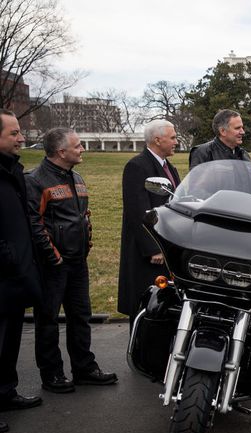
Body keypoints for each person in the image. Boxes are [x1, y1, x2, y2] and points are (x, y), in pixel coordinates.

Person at [25, 128, 117, 393]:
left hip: (77, 262)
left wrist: (86, 242)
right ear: (61, 151)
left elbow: (83, 214)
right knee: (48, 320)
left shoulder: (76, 177)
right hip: (52, 264)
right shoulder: (36, 180)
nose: (82, 149)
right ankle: (52, 374)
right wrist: (53, 256)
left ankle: (84, 368)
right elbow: (35, 223)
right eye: (77, 146)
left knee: (80, 316)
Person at [0, 109, 43, 431]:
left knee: (10, 335)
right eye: (14, 133)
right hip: (4, 270)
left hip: (15, 274)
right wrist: (9, 256)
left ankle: (6, 391)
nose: (21, 138)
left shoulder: (12, 171)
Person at [118, 120, 180, 328]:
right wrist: (153, 247)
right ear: (157, 139)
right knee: (144, 304)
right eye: (172, 138)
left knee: (163, 307)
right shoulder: (137, 166)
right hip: (147, 253)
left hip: (167, 248)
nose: (176, 142)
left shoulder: (168, 167)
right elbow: (137, 211)